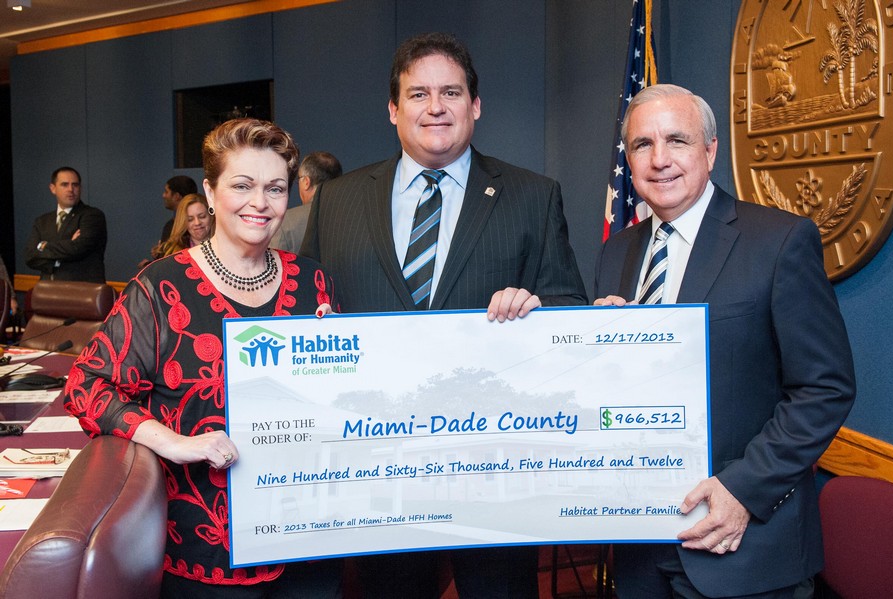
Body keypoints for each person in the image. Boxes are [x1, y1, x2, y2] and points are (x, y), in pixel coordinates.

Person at [302, 32, 586, 599]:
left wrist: (537, 312)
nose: (436, 107)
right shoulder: (339, 201)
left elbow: (568, 313)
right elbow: (308, 309)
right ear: (393, 109)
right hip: (373, 468)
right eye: (418, 94)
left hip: (493, 473)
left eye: (451, 92)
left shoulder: (533, 196)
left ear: (475, 107)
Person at [592, 84, 856, 598]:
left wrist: (743, 491)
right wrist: (599, 349)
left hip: (745, 549)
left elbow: (825, 389)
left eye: (677, 140)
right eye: (642, 145)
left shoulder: (779, 241)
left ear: (710, 151)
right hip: (641, 548)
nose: (660, 159)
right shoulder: (616, 252)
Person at [65, 118, 342, 598]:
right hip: (206, 550)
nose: (260, 202)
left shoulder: (313, 281)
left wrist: (343, 361)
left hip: (306, 539)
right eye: (242, 185)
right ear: (210, 193)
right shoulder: (160, 286)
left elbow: (338, 400)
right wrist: (172, 442)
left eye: (275, 188)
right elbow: (87, 385)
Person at [23, 167, 107, 283]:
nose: (71, 189)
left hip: (84, 292)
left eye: (75, 185)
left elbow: (78, 248)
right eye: (64, 185)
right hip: (49, 292)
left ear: (80, 188)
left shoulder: (92, 216)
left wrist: (43, 246)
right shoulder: (42, 221)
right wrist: (60, 257)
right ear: (53, 188)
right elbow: (30, 256)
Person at [269, 151, 342, 253]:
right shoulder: (352, 218)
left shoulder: (285, 223)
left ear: (306, 182)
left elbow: (274, 266)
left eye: (299, 179)